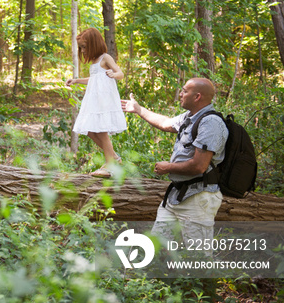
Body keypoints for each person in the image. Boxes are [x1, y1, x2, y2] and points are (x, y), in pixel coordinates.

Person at [121, 78, 228, 245]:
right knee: (158, 247)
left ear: (197, 96)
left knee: (198, 256)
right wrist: (138, 109)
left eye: (184, 91)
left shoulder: (211, 123)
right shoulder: (190, 117)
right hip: (175, 197)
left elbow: (200, 166)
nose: (180, 94)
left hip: (198, 198)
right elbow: (165, 123)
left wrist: (168, 167)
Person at [65, 28, 127, 178]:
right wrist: (76, 80)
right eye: (81, 48)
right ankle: (114, 158)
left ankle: (110, 165)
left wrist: (114, 74)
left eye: (84, 47)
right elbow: (94, 79)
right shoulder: (94, 62)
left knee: (101, 131)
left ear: (94, 44)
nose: (83, 50)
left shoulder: (105, 58)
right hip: (94, 100)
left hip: (104, 101)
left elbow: (120, 73)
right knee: (91, 131)